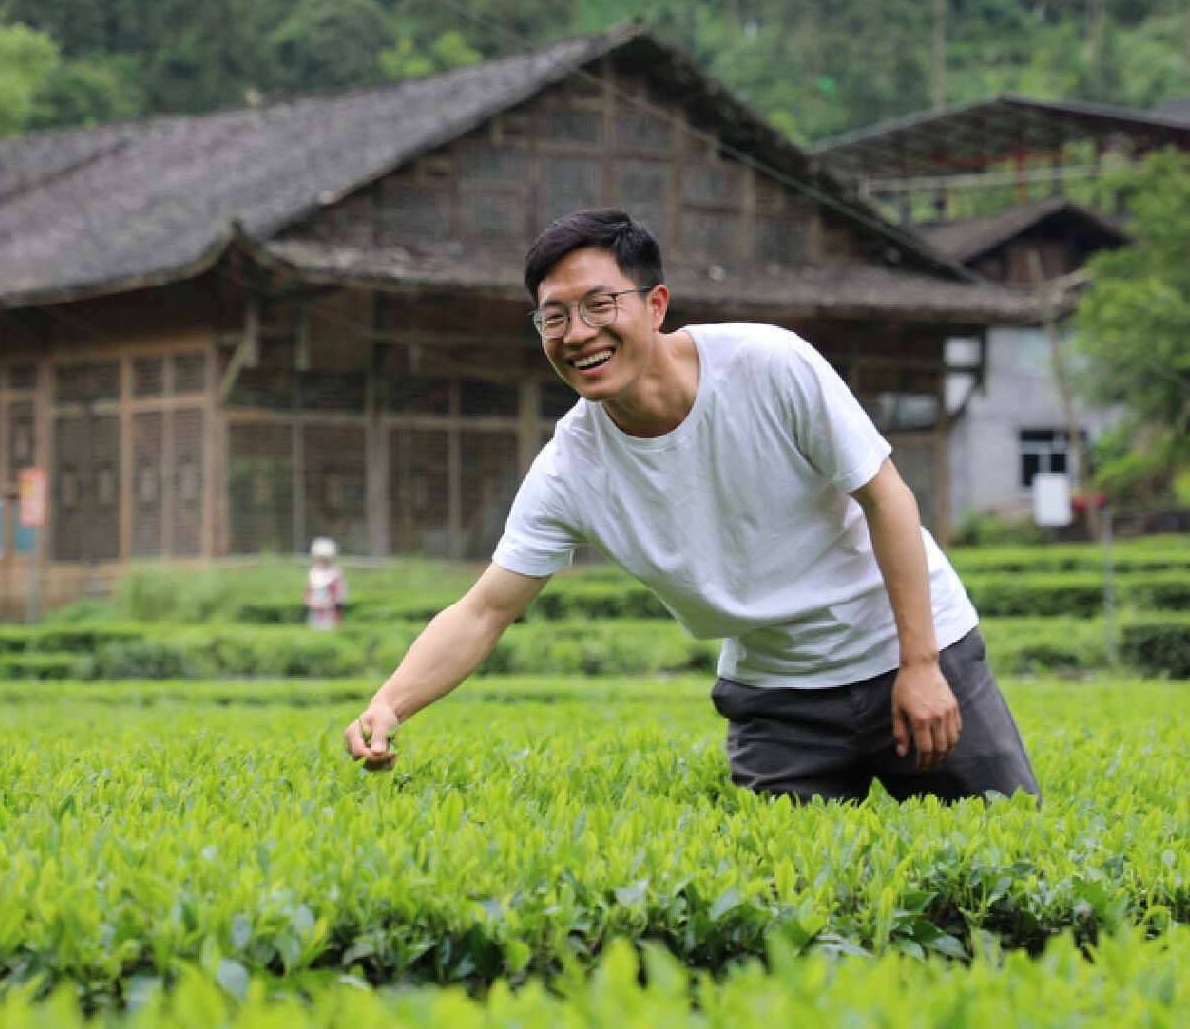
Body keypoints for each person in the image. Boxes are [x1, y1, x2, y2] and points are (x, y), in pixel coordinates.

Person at [344, 208, 1040, 804]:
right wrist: (391, 702)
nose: (577, 333)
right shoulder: (570, 467)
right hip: (778, 697)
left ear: (654, 305)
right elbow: (484, 609)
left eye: (598, 305)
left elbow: (887, 497)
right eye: (553, 317)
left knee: (1010, 855)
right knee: (789, 919)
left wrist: (920, 665)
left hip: (910, 648)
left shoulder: (770, 366)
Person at [302, 536, 347, 631]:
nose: (322, 560)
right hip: (315, 613)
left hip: (330, 614)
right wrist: (313, 603)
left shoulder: (335, 573)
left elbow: (339, 597)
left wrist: (327, 605)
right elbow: (307, 593)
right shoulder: (313, 572)